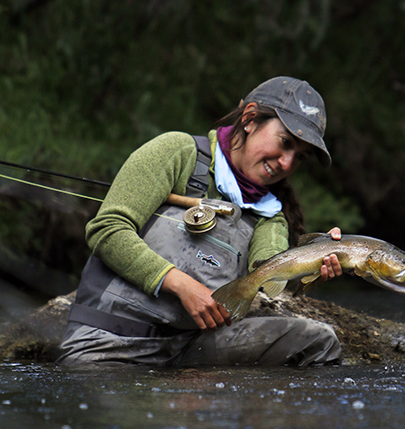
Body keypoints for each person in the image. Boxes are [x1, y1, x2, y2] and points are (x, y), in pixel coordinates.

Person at [58, 77, 343, 367]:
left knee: (319, 341)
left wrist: (312, 264)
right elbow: (107, 230)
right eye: (285, 143)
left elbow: (267, 270)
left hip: (190, 350)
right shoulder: (178, 152)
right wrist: (182, 285)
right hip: (107, 341)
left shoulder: (271, 213)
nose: (286, 163)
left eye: (300, 157)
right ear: (250, 119)